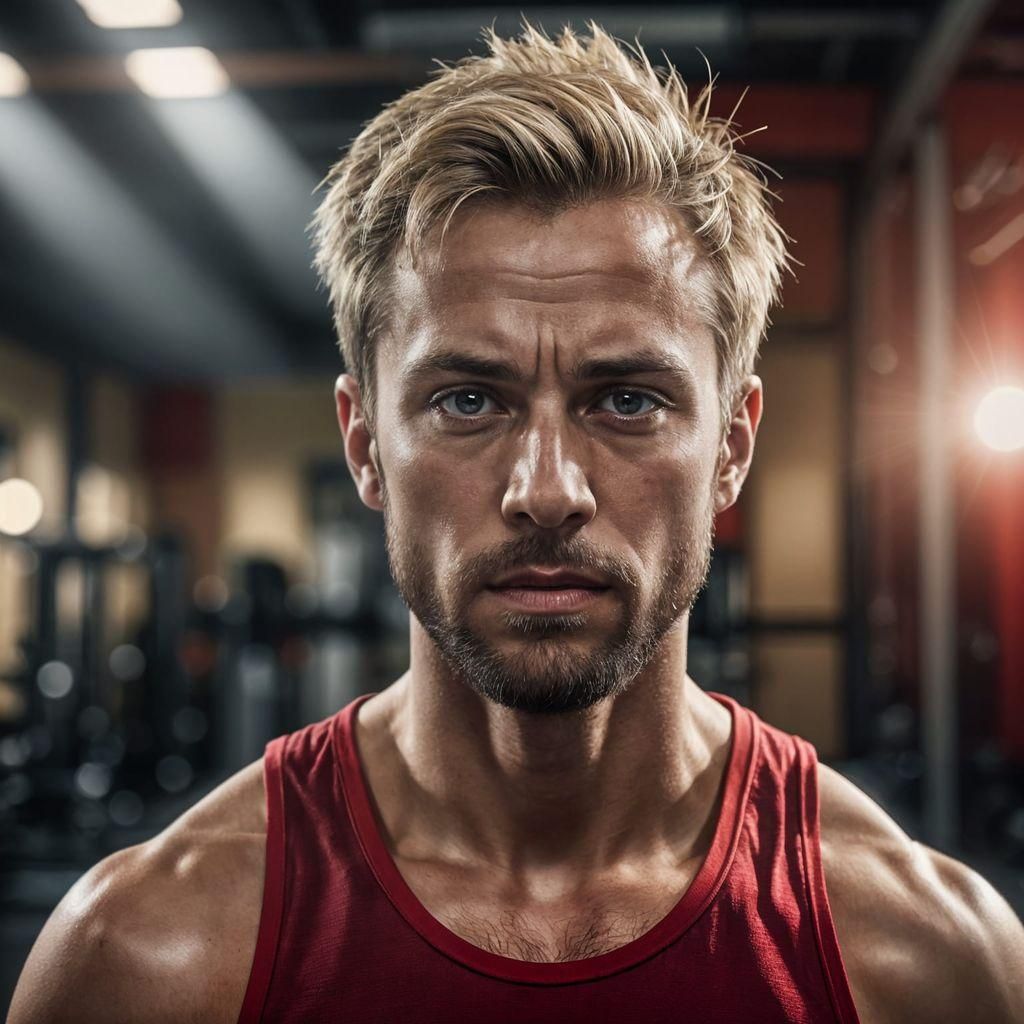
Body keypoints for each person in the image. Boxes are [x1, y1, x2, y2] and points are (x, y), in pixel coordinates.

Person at [9, 21, 1024, 1024]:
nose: (546, 490)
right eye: (467, 400)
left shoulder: (920, 955)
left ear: (731, 446)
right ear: (363, 443)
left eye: (626, 398)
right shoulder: (155, 954)